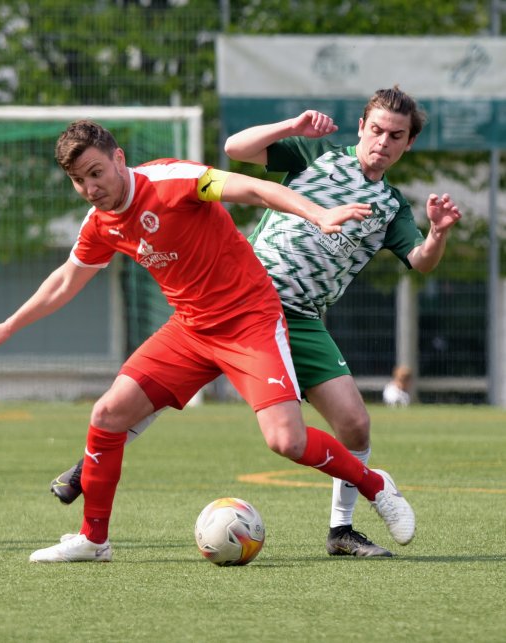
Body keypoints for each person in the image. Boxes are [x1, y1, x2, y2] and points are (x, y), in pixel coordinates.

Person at [0, 119, 415, 563]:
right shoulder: (99, 223)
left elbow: (253, 189)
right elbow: (66, 280)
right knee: (108, 413)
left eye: (96, 173)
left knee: (286, 441)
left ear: (119, 159)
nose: (90, 188)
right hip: (191, 328)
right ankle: (93, 540)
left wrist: (319, 214)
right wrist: (9, 325)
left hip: (249, 319)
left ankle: (375, 486)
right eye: (79, 181)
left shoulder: (172, 180)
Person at [51, 86, 460, 559]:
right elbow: (237, 150)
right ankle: (93, 467)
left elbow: (421, 261)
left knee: (354, 423)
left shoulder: (391, 207)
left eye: (396, 136)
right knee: (143, 396)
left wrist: (438, 234)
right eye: (376, 130)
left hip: (301, 317)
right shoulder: (319, 152)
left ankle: (341, 530)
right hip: (244, 296)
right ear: (362, 127)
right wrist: (292, 127)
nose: (383, 142)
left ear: (407, 144)